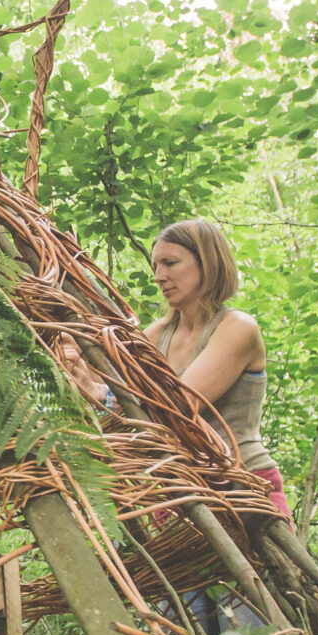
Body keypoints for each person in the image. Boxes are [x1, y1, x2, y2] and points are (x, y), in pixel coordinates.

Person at [53, 218, 289, 518]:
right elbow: (106, 385)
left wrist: (102, 395)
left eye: (171, 263)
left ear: (208, 263)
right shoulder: (157, 335)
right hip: (178, 490)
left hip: (241, 490)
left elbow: (178, 407)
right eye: (155, 266)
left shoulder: (237, 329)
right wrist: (72, 358)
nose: (159, 276)